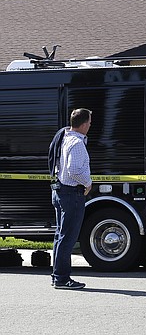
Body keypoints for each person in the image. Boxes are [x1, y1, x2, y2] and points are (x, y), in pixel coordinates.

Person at [50, 108, 92, 289]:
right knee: (67, 238)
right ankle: (62, 278)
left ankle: (57, 276)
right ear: (83, 124)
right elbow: (73, 169)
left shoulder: (65, 137)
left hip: (60, 191)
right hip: (71, 194)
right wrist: (88, 183)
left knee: (60, 236)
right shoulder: (77, 143)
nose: (90, 125)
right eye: (89, 122)